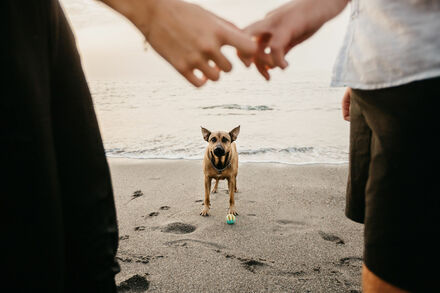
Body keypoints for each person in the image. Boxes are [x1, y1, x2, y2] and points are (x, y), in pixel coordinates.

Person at [2, 0, 255, 291]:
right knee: (31, 226)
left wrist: (151, 12)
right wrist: (152, 12)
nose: (220, 144)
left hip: (43, 19)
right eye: (214, 140)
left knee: (90, 226)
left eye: (224, 140)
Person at [240, 0, 440, 292]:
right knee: (378, 237)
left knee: (396, 267)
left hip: (421, 82)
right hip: (373, 75)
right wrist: (359, 72)